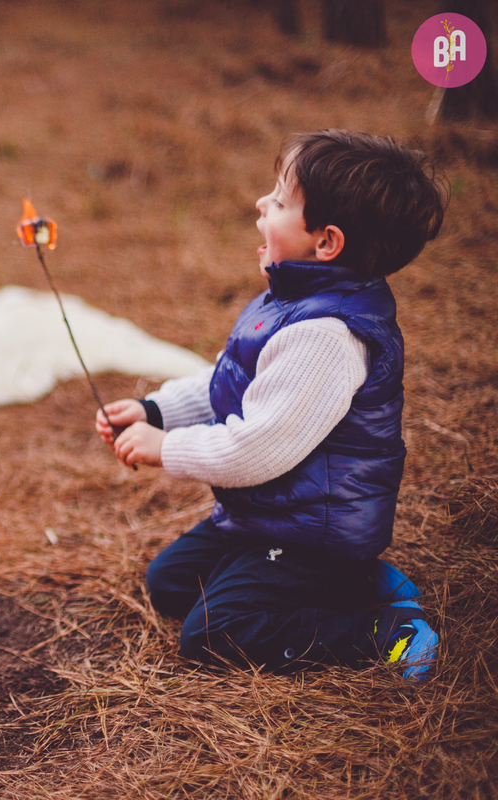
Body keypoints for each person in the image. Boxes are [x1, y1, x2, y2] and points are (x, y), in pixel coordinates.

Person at [96, 130, 447, 678]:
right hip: (267, 520)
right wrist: (155, 411)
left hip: (314, 535)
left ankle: (379, 631)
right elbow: (229, 381)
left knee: (214, 633)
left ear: (326, 242)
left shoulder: (327, 337)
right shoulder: (288, 302)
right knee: (168, 583)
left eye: (281, 201)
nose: (262, 204)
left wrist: (167, 447)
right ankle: (362, 584)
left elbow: (255, 449)